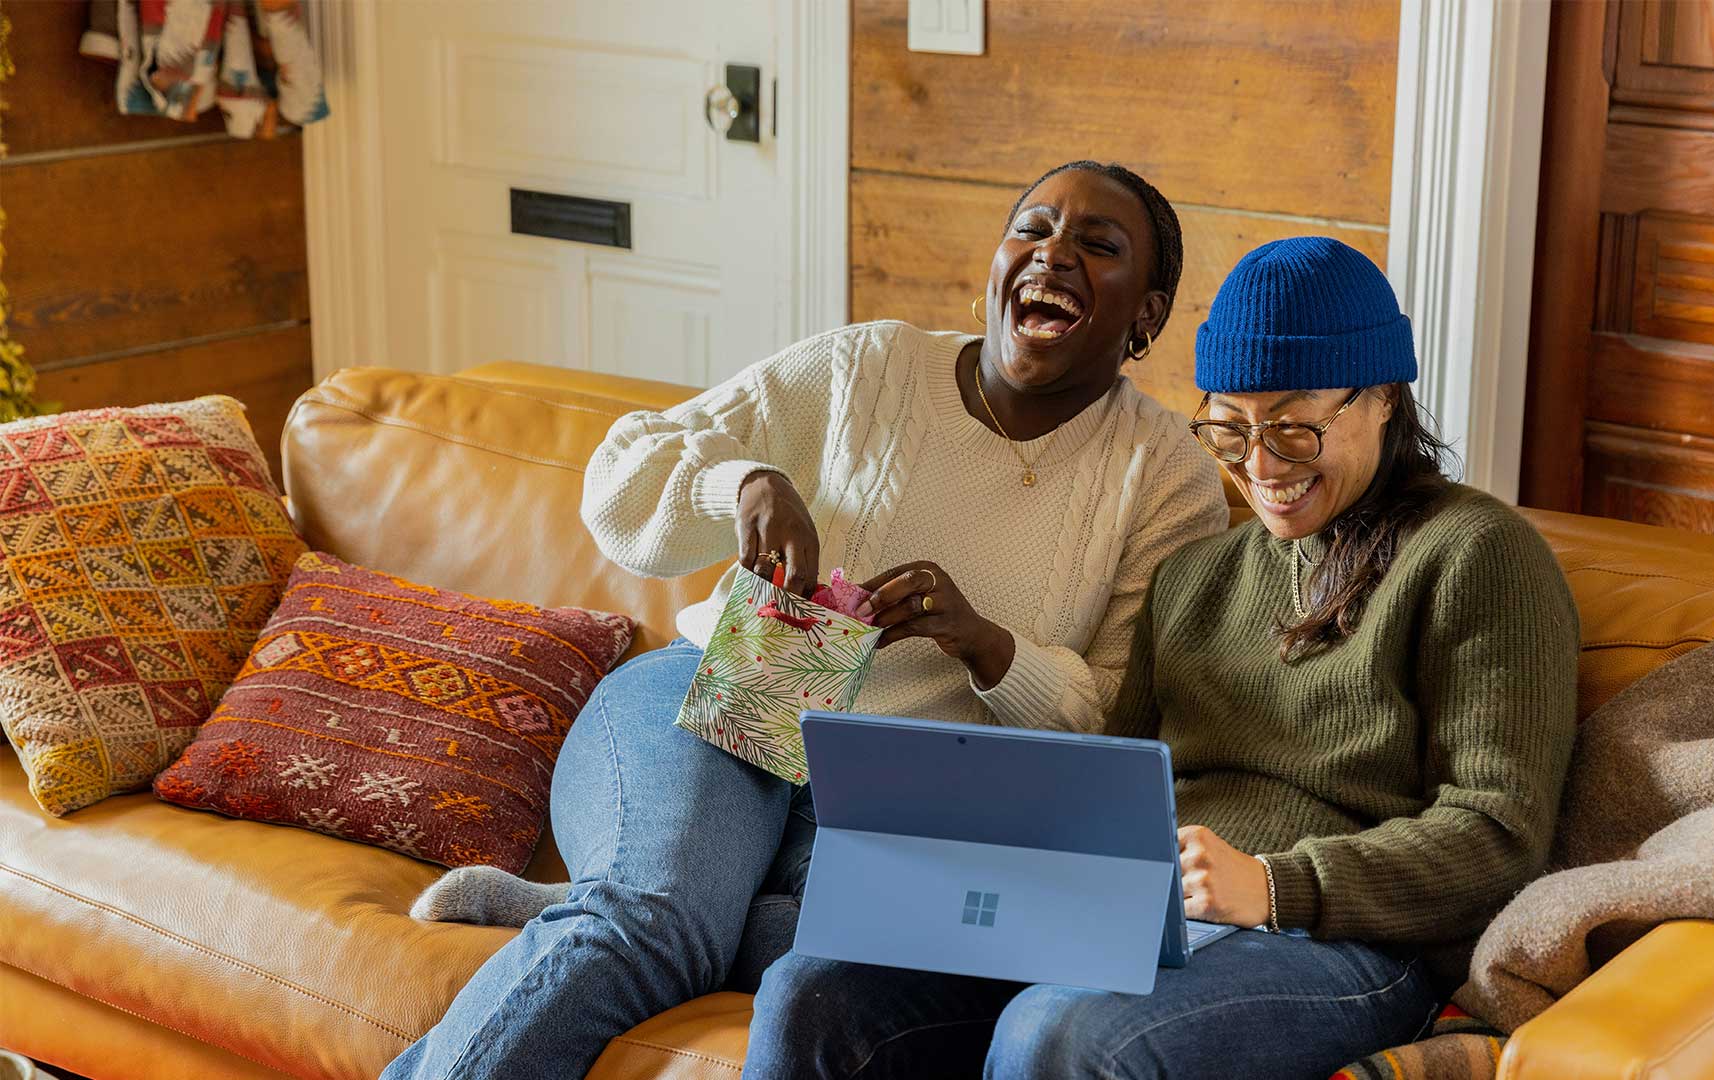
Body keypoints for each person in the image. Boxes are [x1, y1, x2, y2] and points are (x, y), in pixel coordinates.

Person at [378, 161, 1230, 1080]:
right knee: (652, 928)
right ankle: (633, 900)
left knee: (920, 943)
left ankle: (602, 896)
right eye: (1032, 229)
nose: (1053, 254)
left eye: (1097, 246)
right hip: (724, 695)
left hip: (901, 797)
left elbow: (1117, 716)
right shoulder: (871, 368)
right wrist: (741, 482)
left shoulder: (1166, 474)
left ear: (1145, 314)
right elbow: (620, 474)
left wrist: (989, 646)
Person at [742, 237, 1581, 1080]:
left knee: (1058, 1034)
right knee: (811, 992)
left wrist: (1278, 885)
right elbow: (1116, 780)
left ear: (1384, 399)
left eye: (1293, 428)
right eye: (1229, 428)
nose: (1259, 468)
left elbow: (1497, 833)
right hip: (1137, 914)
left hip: (1343, 942)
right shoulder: (1192, 578)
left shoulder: (1478, 554)